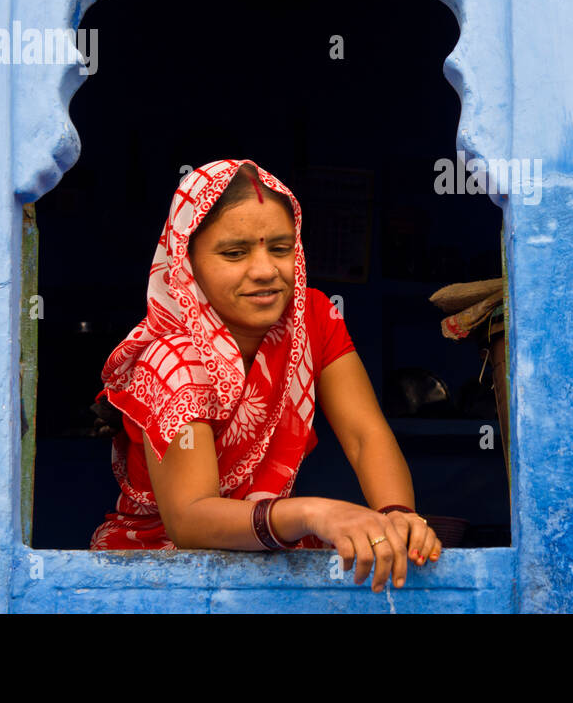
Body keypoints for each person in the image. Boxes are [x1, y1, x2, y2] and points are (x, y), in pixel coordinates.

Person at [88, 158, 441, 592]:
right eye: (234, 253)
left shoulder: (311, 318)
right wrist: (316, 513)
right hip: (158, 576)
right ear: (187, 260)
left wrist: (397, 515)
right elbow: (190, 520)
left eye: (280, 247)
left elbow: (365, 434)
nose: (264, 270)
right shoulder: (172, 360)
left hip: (265, 556)